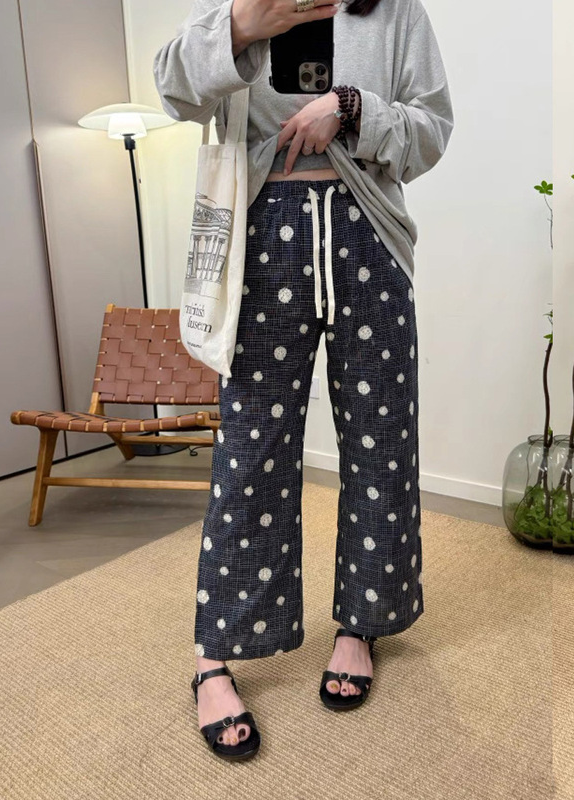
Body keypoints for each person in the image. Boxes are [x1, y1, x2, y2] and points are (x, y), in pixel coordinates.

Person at [154, 0, 454, 760]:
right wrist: (241, 29)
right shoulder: (242, 1)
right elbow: (173, 87)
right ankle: (214, 655)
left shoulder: (396, 11)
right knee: (250, 450)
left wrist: (350, 108)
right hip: (262, 232)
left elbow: (431, 130)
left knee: (381, 445)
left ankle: (362, 623)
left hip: (369, 232)